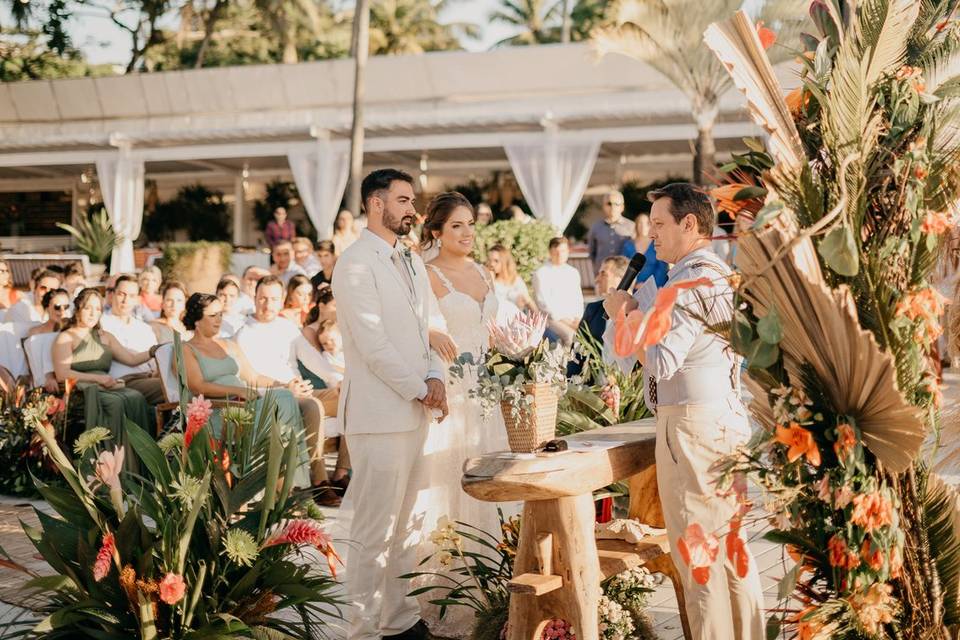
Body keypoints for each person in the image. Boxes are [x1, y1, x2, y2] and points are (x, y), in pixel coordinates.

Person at [602, 183, 764, 640]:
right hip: (725, 419)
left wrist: (624, 315)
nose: (651, 236)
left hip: (691, 426)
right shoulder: (718, 273)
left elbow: (660, 360)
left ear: (689, 224)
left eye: (658, 224)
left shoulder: (687, 280)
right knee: (734, 547)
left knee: (699, 551)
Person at [332, 168, 447, 640]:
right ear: (375, 204)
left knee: (406, 526)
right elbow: (374, 345)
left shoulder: (412, 259)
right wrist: (421, 387)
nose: (412, 209)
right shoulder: (355, 263)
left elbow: (431, 323)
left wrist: (437, 376)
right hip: (378, 416)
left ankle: (398, 619)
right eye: (403, 200)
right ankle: (360, 629)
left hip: (416, 410)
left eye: (411, 200)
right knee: (372, 530)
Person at [418, 191, 514, 638]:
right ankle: (456, 597)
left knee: (495, 486)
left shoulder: (480, 271)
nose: (467, 232)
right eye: (456, 225)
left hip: (488, 393)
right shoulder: (427, 272)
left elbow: (493, 333)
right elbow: (414, 325)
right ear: (436, 231)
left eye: (471, 224)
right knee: (453, 490)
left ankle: (500, 591)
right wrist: (432, 330)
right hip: (452, 393)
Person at [235, 275, 343, 506]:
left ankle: (342, 474)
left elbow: (313, 360)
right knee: (313, 407)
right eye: (262, 298)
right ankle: (319, 480)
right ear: (254, 298)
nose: (267, 304)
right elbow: (252, 377)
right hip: (272, 395)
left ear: (282, 300)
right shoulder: (244, 333)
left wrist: (337, 381)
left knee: (349, 396)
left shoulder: (287, 328)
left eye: (273, 299)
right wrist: (285, 387)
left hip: (301, 390)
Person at [181, 293, 312, 481]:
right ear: (197, 320)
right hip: (219, 411)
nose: (219, 320)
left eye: (220, 314)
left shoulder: (228, 344)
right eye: (212, 316)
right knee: (276, 409)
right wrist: (238, 390)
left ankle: (289, 482)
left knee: (285, 396)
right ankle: (266, 482)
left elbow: (253, 377)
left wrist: (284, 384)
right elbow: (197, 386)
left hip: (244, 403)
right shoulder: (187, 349)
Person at [52, 288, 154, 467]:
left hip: (107, 385)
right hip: (81, 387)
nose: (93, 313)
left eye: (98, 309)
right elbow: (62, 373)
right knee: (116, 403)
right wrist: (97, 379)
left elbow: (131, 359)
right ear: (78, 309)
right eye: (88, 308)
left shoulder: (105, 337)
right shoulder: (66, 337)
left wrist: (154, 351)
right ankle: (112, 466)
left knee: (136, 397)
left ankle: (137, 465)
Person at [99, 274, 165, 405]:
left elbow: (155, 363)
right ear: (112, 294)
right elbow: (132, 359)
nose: (125, 300)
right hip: (122, 381)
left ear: (138, 299)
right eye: (121, 294)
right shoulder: (101, 323)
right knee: (175, 389)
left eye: (131, 296)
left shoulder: (144, 328)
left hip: (147, 378)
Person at [532, 237, 584, 346]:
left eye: (563, 251)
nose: (560, 255)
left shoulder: (573, 272)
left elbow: (578, 299)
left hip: (574, 319)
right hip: (551, 319)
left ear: (568, 252)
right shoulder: (541, 273)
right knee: (571, 337)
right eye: (556, 252)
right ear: (550, 252)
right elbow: (543, 304)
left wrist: (578, 318)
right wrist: (565, 320)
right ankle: (566, 363)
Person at [27, 288, 72, 394]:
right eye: (57, 307)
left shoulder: (72, 329)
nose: (62, 311)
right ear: (47, 308)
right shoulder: (35, 332)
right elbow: (33, 365)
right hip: (44, 384)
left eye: (66, 307)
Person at [485, 244, 537, 323]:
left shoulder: (516, 279)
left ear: (504, 261)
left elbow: (527, 299)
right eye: (489, 260)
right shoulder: (490, 281)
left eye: (496, 261)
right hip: (500, 322)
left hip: (518, 319)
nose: (491, 264)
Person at [587, 190, 634, 273]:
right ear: (603, 206)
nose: (612, 207)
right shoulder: (596, 227)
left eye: (616, 204)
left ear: (622, 207)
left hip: (624, 274)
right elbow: (592, 252)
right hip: (602, 273)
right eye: (609, 203)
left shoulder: (631, 227)